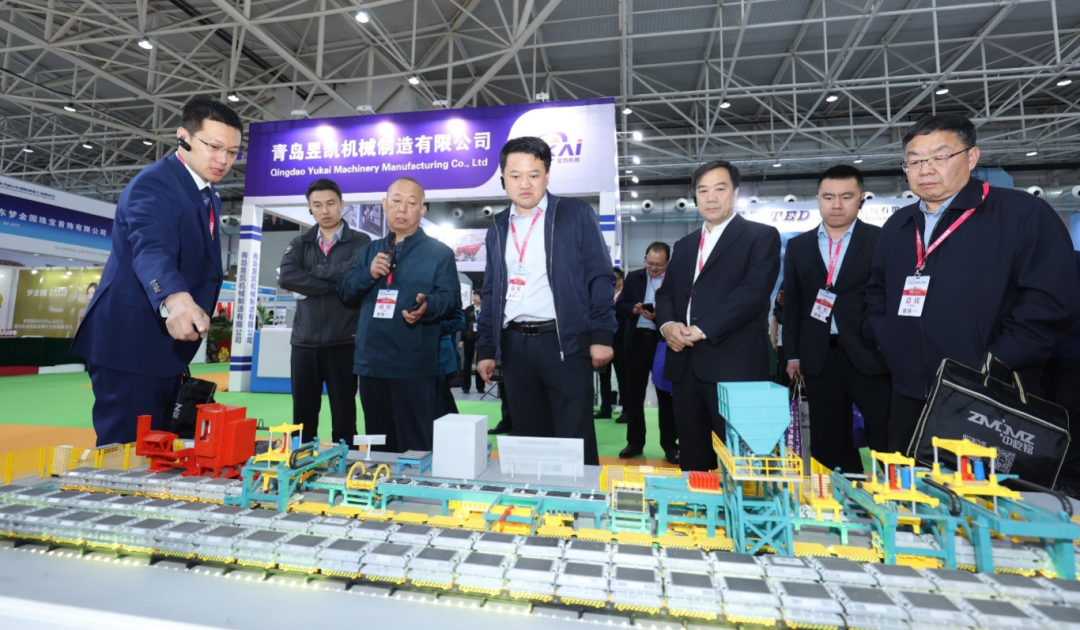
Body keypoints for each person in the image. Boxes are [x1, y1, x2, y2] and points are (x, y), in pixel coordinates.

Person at [865, 115, 1080, 453]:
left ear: (971, 157)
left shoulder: (1022, 214)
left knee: (986, 485)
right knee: (907, 481)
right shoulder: (899, 225)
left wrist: (1001, 359)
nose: (925, 169)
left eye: (939, 157)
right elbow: (877, 291)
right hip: (910, 393)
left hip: (989, 394)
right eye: (914, 161)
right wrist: (888, 339)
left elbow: (1052, 299)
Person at [71, 97, 240, 446]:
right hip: (131, 345)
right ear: (183, 137)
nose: (223, 159)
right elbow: (151, 248)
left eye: (233, 152)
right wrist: (175, 299)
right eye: (214, 147)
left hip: (162, 349)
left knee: (157, 451)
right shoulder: (154, 184)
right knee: (127, 452)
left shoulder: (207, 193)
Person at [475, 136, 617, 466]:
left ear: (548, 175)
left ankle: (581, 498)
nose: (524, 183)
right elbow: (492, 291)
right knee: (528, 437)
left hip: (564, 343)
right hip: (515, 346)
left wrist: (602, 334)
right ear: (503, 178)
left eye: (534, 174)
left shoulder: (575, 214)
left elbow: (600, 275)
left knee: (574, 436)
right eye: (515, 175)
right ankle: (534, 495)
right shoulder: (498, 225)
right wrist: (486, 348)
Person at [656, 160, 781, 471]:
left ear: (735, 193)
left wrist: (701, 329)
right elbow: (666, 292)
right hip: (685, 368)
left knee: (744, 465)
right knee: (693, 463)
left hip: (735, 368)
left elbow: (752, 294)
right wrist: (668, 325)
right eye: (703, 191)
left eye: (719, 189)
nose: (710, 198)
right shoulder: (685, 245)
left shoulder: (760, 236)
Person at [337, 177, 459, 453]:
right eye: (396, 201)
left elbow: (451, 298)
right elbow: (344, 291)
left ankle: (417, 483)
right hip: (371, 365)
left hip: (412, 366)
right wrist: (368, 274)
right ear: (384, 205)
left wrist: (429, 305)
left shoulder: (439, 253)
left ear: (422, 210)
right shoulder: (370, 250)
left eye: (411, 203)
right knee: (379, 445)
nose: (402, 209)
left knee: (415, 446)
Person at [782, 165, 891, 473]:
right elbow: (793, 305)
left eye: (846, 196)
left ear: (861, 199)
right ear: (818, 199)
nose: (837, 204)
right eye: (829, 197)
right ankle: (842, 493)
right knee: (828, 439)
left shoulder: (880, 240)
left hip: (871, 353)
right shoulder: (798, 246)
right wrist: (792, 354)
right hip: (820, 357)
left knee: (885, 432)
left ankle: (893, 493)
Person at [278, 178, 371, 446]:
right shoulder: (300, 243)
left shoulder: (361, 241)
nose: (325, 210)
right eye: (317, 205)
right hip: (304, 343)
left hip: (344, 342)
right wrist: (337, 284)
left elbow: (356, 273)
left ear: (342, 204)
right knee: (302, 413)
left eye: (330, 203)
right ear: (310, 208)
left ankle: (345, 464)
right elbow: (287, 277)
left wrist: (310, 275)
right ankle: (301, 461)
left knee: (345, 414)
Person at [615, 243, 679, 464]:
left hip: (662, 343)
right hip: (636, 342)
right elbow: (620, 306)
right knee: (633, 395)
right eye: (650, 263)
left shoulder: (674, 279)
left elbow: (681, 310)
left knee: (665, 396)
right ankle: (634, 442)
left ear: (667, 263)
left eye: (659, 265)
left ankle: (670, 445)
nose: (653, 268)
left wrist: (660, 316)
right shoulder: (634, 278)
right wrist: (633, 309)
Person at [1043, 251, 1080, 497]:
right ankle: (1046, 475)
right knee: (1043, 414)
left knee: (1070, 413)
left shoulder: (1073, 260)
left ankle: (1070, 481)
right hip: (1035, 351)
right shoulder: (1022, 259)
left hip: (1071, 352)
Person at [596, 267, 626, 421]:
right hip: (603, 342)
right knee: (603, 378)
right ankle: (605, 408)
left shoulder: (625, 297)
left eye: (613, 278)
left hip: (620, 342)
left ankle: (626, 409)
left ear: (620, 281)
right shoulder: (601, 297)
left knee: (623, 377)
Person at [439, 308, 467, 416]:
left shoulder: (449, 297)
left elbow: (459, 323)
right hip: (408, 355)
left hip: (441, 356)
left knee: (443, 396)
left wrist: (432, 327)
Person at [460, 290, 484, 394]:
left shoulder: (485, 309)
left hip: (482, 338)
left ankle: (480, 387)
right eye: (473, 295)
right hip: (469, 337)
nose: (474, 297)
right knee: (467, 362)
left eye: (477, 295)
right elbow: (464, 325)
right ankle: (466, 386)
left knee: (480, 362)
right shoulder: (469, 309)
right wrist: (462, 339)